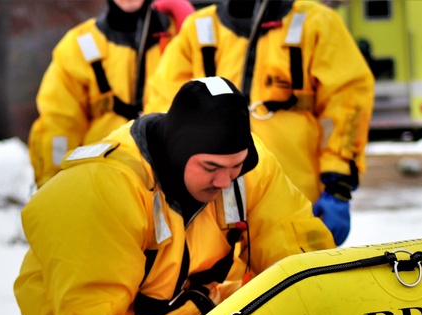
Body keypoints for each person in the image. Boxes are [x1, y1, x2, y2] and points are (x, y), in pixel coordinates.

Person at [14, 77, 335, 315]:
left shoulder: (246, 170)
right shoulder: (104, 187)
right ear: (178, 151)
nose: (224, 180)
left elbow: (298, 262)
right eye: (211, 167)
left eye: (235, 166)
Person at [143, 0, 375, 246]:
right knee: (218, 276)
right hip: (214, 194)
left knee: (293, 274)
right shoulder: (198, 27)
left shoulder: (317, 23)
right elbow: (165, 102)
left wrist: (338, 185)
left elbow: (347, 103)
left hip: (294, 188)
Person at [27, 0, 194, 188]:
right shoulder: (78, 45)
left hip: (167, 182)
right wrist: (54, 182)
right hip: (97, 180)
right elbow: (59, 123)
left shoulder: (184, 38)